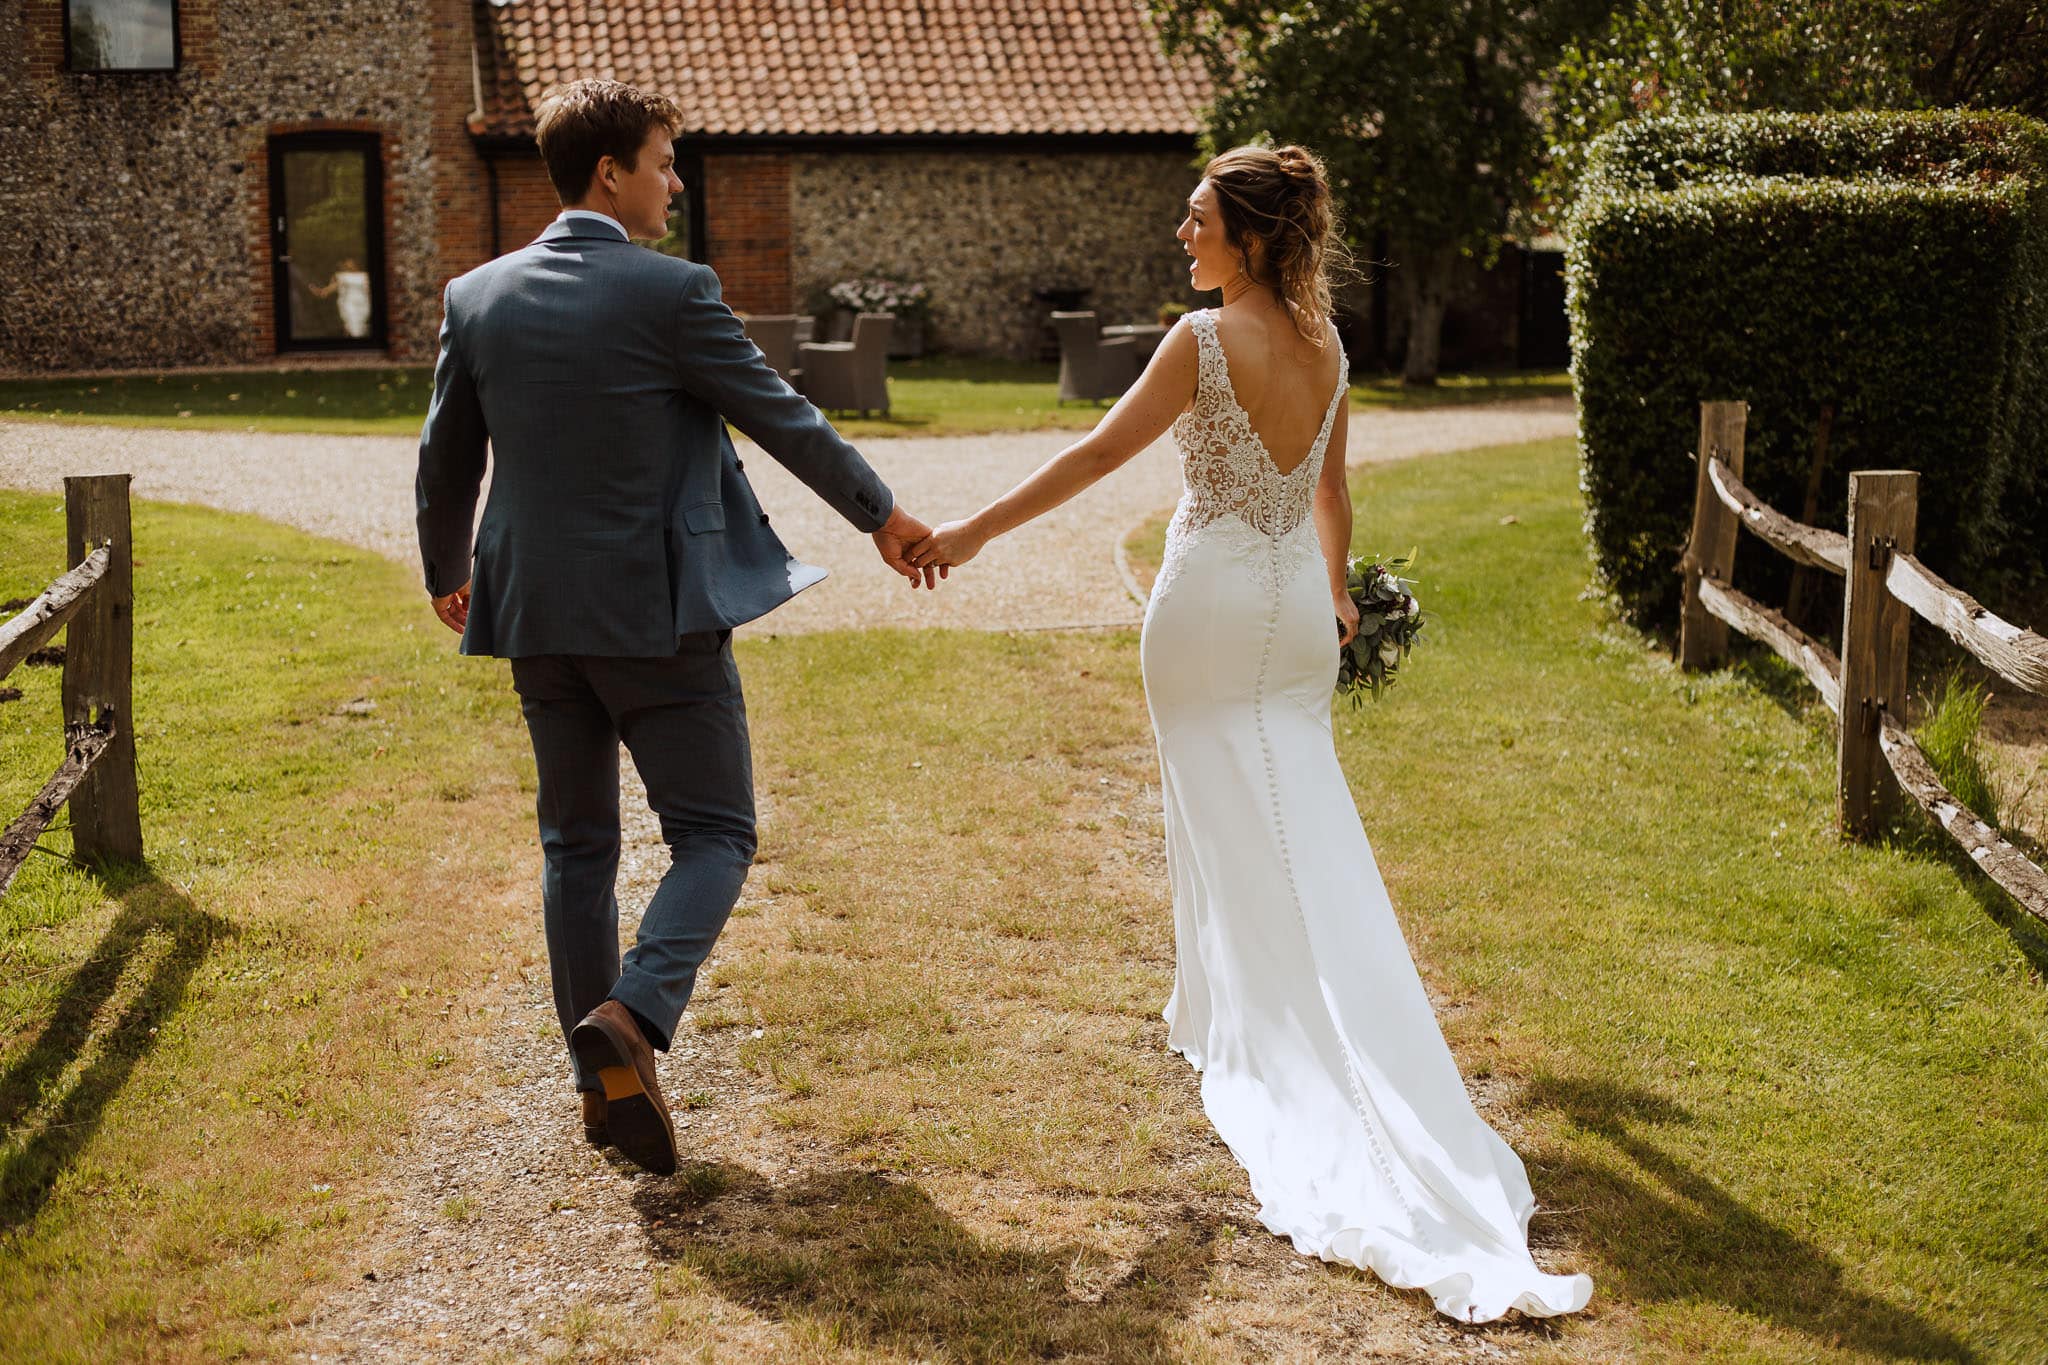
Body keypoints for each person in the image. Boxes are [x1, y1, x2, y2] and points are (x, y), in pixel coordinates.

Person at [908, 145, 1593, 1322]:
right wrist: (1332, 596)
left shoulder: (1201, 340)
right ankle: (1228, 1009)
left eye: (1198, 218)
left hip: (1211, 604)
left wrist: (970, 531)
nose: (1183, 234)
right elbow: (1331, 494)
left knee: (1230, 824)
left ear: (1252, 234)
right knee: (1298, 825)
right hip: (1287, 615)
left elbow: (1097, 455)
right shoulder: (1327, 350)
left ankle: (1272, 1041)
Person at [415, 80, 939, 1178]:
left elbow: (445, 456)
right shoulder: (671, 293)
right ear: (609, 172)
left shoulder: (477, 296)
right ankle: (634, 1019)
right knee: (714, 834)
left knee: (577, 846)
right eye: (662, 161)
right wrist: (883, 516)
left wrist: (446, 570)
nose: (676, 182)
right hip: (656, 619)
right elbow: (782, 416)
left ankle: (600, 1095)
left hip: (534, 617)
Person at [309, 257, 372, 339]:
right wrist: (320, 291)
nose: (350, 265)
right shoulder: (342, 276)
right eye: (348, 263)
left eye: (352, 262)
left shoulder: (364, 275)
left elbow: (368, 290)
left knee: (360, 326)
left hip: (363, 304)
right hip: (349, 304)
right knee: (354, 326)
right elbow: (328, 290)